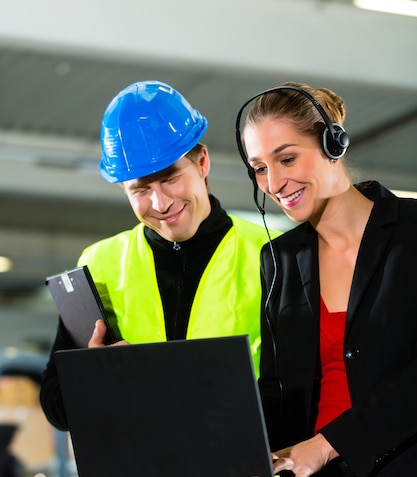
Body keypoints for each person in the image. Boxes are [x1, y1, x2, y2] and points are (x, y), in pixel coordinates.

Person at [236, 81, 417, 477]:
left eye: (286, 157)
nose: (274, 183)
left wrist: (328, 442)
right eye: (259, 168)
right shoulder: (280, 259)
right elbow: (281, 386)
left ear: (333, 143)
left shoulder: (411, 233)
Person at [40, 80, 280, 431]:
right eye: (140, 189)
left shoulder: (273, 254)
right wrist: (94, 378)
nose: (160, 203)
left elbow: (305, 391)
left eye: (170, 178)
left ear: (202, 162)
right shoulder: (100, 263)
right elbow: (55, 404)